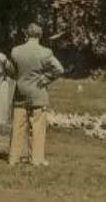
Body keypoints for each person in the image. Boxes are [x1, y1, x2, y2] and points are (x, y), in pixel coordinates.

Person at [8, 23, 65, 166]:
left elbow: (11, 72)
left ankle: (13, 158)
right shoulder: (45, 52)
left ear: (26, 34)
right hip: (38, 92)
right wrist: (47, 77)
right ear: (40, 35)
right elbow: (59, 69)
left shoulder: (16, 51)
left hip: (20, 92)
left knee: (17, 126)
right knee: (38, 127)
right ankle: (36, 159)